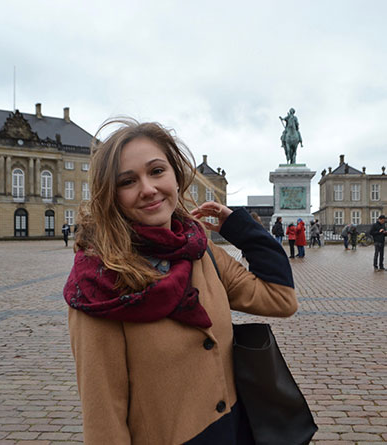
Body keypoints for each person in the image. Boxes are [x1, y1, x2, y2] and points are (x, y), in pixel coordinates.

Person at [63, 118, 297, 445]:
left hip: (236, 430)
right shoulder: (98, 283)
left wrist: (242, 229)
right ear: (110, 195)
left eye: (157, 171)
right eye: (128, 181)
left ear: (175, 175)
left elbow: (280, 299)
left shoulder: (201, 252)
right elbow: (104, 418)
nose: (148, 189)